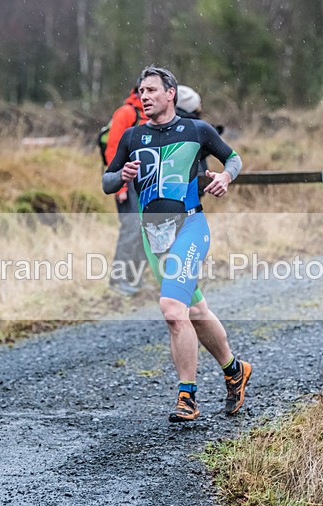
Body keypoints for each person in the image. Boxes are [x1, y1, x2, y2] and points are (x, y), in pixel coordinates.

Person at [102, 66, 252, 422]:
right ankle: (235, 370)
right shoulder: (132, 137)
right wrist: (119, 176)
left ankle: (187, 397)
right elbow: (107, 181)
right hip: (152, 235)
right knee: (195, 312)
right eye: (142, 91)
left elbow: (234, 158)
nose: (145, 96)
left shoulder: (195, 129)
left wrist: (225, 178)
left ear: (171, 94)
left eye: (152, 90)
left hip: (190, 227)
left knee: (172, 309)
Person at [104, 83, 149, 297]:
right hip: (126, 181)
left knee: (145, 231)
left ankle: (135, 279)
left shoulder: (152, 114)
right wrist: (120, 186)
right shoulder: (126, 113)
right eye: (146, 90)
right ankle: (118, 280)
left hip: (145, 182)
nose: (149, 94)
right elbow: (113, 150)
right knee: (130, 230)